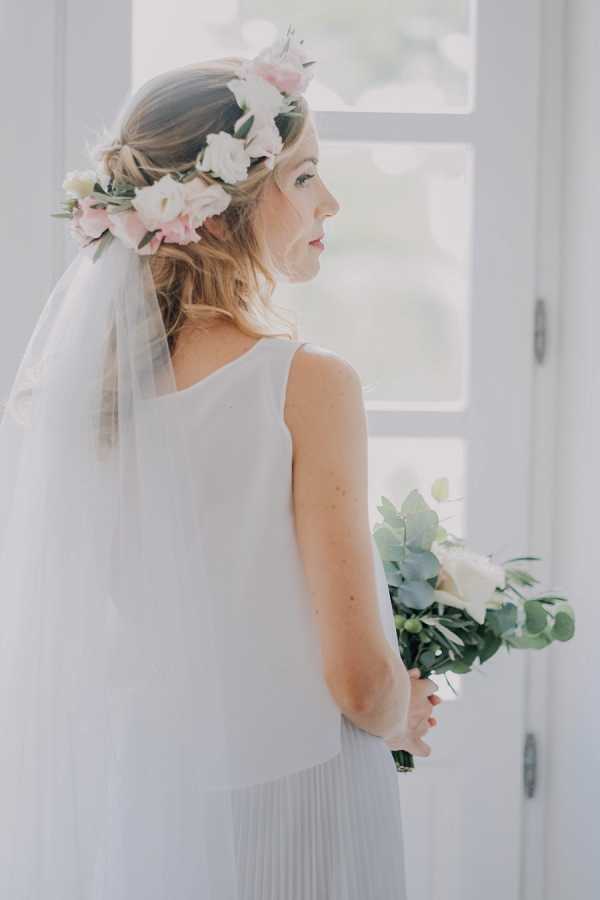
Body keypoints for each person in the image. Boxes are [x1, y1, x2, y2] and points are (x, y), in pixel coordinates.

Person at [0, 25, 440, 898]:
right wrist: (404, 707)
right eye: (304, 177)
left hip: (156, 796)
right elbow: (356, 680)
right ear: (227, 207)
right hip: (298, 794)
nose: (331, 206)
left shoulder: (88, 403)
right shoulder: (307, 385)